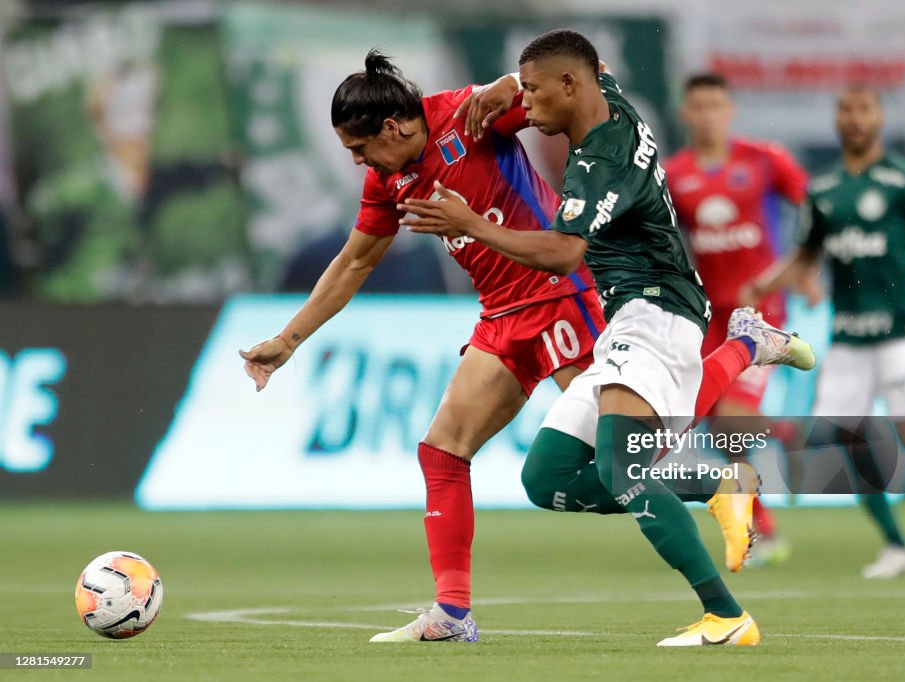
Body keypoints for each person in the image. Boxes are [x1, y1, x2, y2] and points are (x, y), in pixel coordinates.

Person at [241, 50, 804, 644]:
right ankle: (452, 614)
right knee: (443, 452)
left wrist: (509, 82)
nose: (358, 163)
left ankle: (741, 367)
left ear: (394, 126)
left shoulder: (470, 113)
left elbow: (583, 76)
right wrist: (287, 340)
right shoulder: (386, 179)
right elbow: (354, 261)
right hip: (502, 317)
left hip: (566, 296)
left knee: (630, 454)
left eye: (359, 149)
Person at [403, 29, 815, 646]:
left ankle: (726, 617)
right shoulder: (611, 97)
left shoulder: (600, 161)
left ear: (570, 87)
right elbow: (586, 59)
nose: (529, 109)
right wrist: (507, 84)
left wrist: (468, 224)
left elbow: (564, 254)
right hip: (630, 318)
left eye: (537, 95)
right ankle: (742, 376)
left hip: (658, 310)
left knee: (625, 465)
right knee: (546, 478)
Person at [740, 85, 905, 578]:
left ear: (879, 119)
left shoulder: (902, 183)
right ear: (837, 120)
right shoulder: (822, 190)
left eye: (864, 110)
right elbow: (805, 254)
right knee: (841, 436)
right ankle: (898, 546)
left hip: (897, 333)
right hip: (847, 338)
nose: (854, 119)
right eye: (845, 110)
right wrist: (766, 283)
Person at [665, 73, 810, 566]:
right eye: (698, 105)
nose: (707, 114)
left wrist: (801, 268)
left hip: (761, 316)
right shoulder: (675, 175)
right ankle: (763, 529)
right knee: (704, 420)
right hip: (711, 317)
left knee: (728, 423)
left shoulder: (764, 159)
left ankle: (792, 436)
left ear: (729, 111)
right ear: (686, 113)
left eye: (715, 105)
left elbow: (816, 211)